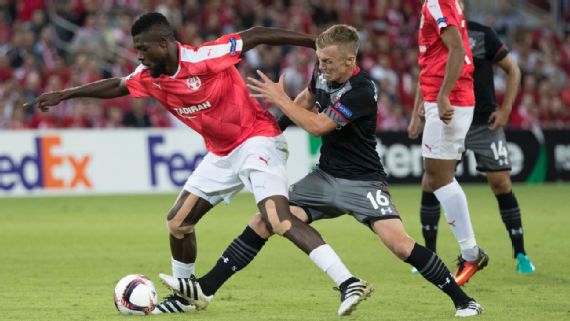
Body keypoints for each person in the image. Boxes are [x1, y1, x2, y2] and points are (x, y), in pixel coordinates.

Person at [24, 12, 371, 315]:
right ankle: (187, 294)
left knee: (278, 218)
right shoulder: (149, 76)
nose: (139, 56)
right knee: (177, 222)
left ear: (165, 43)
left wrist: (313, 43)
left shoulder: (205, 57)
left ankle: (349, 282)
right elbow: (118, 85)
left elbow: (255, 35)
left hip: (257, 139)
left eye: (144, 48)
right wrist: (66, 94)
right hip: (221, 153)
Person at [160, 24, 483, 317]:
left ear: (348, 61)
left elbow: (318, 126)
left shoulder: (362, 91)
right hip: (324, 177)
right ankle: (206, 288)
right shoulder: (323, 73)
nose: (322, 66)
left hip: (362, 182)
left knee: (399, 245)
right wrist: (273, 130)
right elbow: (306, 100)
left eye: (328, 62)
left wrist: (278, 98)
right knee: (265, 220)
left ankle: (463, 301)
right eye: (319, 59)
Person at [414, 2, 535, 273]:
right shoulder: (444, 16)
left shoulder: (476, 30)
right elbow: (429, 70)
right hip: (452, 104)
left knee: (498, 182)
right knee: (433, 179)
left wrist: (504, 110)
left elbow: (511, 69)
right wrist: (418, 112)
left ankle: (514, 253)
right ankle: (435, 253)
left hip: (477, 118)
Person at [407, 0, 488, 287]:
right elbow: (434, 56)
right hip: (441, 97)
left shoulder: (438, 2)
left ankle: (470, 253)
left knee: (439, 178)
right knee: (435, 177)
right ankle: (469, 251)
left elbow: (458, 49)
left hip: (449, 99)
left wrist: (443, 95)